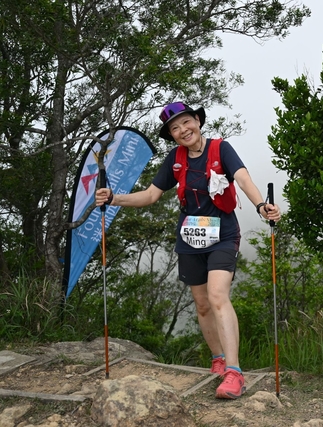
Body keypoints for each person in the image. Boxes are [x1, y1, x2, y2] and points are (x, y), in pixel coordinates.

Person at [95, 102, 281, 399]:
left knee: (217, 295)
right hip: (191, 236)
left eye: (186, 122)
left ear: (197, 120)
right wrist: (113, 198)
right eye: (175, 128)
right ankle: (218, 359)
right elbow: (151, 195)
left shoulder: (221, 149)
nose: (183, 130)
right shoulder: (175, 159)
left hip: (223, 233)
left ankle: (234, 372)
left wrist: (261, 206)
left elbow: (243, 178)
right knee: (202, 304)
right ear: (171, 135)